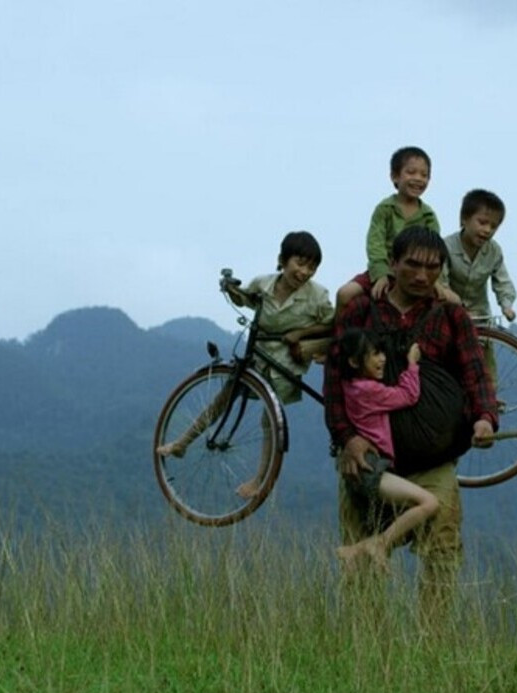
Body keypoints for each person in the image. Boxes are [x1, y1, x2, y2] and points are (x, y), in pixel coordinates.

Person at [325, 225, 498, 621]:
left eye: (433, 267)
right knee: (361, 556)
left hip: (434, 462)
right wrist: (346, 438)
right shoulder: (360, 311)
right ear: (394, 264)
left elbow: (475, 373)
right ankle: (366, 651)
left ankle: (432, 650)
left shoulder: (452, 315)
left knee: (442, 554)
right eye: (413, 266)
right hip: (367, 460)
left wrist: (486, 419)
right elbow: (336, 381)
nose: (422, 276)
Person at [158, 231, 334, 497]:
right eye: (300, 263)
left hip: (288, 358)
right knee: (223, 398)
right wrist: (231, 288)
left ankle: (260, 480)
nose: (305, 272)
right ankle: (182, 443)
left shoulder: (317, 295)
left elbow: (330, 322)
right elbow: (246, 298)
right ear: (282, 261)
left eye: (312, 266)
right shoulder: (263, 284)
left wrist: (302, 335)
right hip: (259, 351)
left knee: (270, 419)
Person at [333, 330, 440, 571]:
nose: (382, 359)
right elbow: (408, 395)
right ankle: (379, 544)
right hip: (370, 468)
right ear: (354, 361)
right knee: (428, 503)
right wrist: (412, 364)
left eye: (382, 353)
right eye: (374, 354)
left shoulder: (350, 386)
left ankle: (356, 550)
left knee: (383, 520)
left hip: (367, 469)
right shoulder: (368, 390)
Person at [336, 146, 458, 309]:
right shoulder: (384, 209)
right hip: (385, 269)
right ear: (395, 176)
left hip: (418, 274)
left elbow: (434, 252)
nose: (418, 179)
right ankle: (339, 333)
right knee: (344, 294)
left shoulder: (428, 215)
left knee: (454, 302)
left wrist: (435, 281)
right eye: (411, 172)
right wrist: (381, 274)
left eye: (424, 175)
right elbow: (375, 244)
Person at [440, 189, 517, 324]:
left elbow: (503, 282)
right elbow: (442, 284)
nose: (487, 230)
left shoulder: (494, 251)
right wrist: (456, 306)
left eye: (493, 226)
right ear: (464, 219)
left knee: (484, 343)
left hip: (480, 317)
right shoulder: (446, 246)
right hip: (447, 314)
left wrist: (507, 306)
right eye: (482, 222)